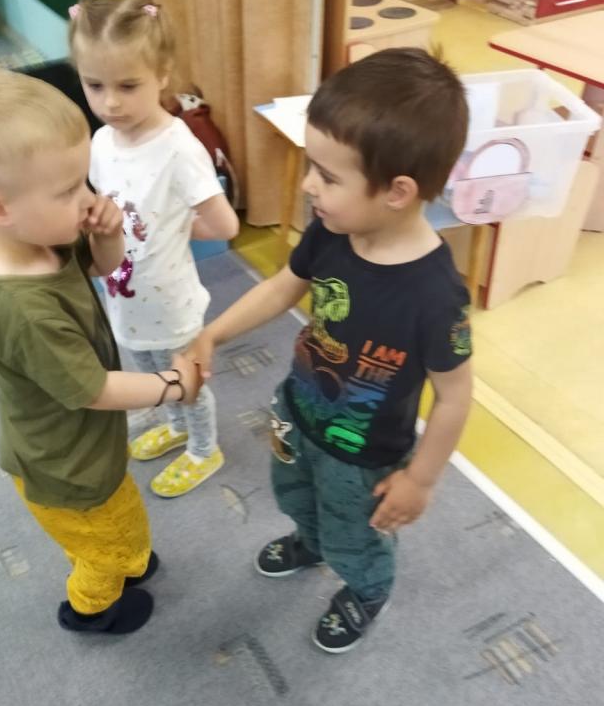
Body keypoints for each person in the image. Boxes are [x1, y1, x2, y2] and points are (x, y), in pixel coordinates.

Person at [188, 48, 473, 654]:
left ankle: (366, 589)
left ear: (397, 191)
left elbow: (454, 397)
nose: (308, 185)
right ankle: (310, 541)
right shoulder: (334, 230)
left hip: (364, 457)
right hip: (299, 411)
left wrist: (421, 480)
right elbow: (282, 287)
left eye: (328, 175)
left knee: (357, 534)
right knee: (294, 494)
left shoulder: (435, 295)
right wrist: (213, 333)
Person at [0, 70, 201, 636]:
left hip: (82, 446)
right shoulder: (23, 310)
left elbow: (103, 267)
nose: (88, 199)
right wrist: (173, 386)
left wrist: (106, 234)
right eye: (68, 191)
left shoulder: (36, 238)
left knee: (119, 520)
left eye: (85, 181)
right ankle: (91, 608)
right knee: (101, 550)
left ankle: (128, 555)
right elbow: (96, 389)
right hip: (66, 469)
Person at [69, 0, 239, 498]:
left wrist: (174, 229)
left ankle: (204, 449)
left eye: (128, 85)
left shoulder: (178, 148)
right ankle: (174, 425)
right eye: (94, 85)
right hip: (125, 292)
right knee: (144, 365)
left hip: (171, 301)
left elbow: (225, 225)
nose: (110, 102)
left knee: (186, 379)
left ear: (163, 73)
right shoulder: (102, 141)